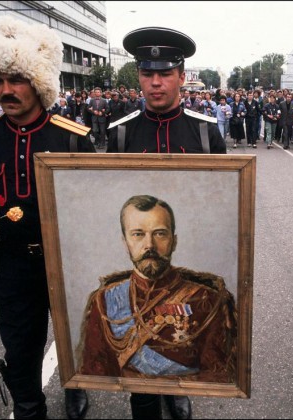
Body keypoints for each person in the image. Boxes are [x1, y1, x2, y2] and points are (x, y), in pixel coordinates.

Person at [0, 15, 95, 420]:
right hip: (14, 263)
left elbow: (94, 207)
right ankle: (27, 405)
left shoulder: (72, 137)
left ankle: (76, 386)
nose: (6, 90)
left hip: (66, 260)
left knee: (75, 335)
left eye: (16, 79)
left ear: (38, 81)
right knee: (20, 345)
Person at [104, 27, 226, 418]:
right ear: (138, 76)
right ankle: (143, 398)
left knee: (180, 333)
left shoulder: (206, 134)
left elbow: (221, 202)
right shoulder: (119, 133)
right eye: (147, 73)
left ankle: (176, 388)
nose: (156, 83)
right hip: (142, 257)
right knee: (139, 339)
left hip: (185, 255)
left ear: (181, 75)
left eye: (166, 73)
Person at [76, 194, 236, 388]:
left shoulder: (208, 300)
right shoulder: (104, 300)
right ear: (125, 243)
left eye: (160, 233)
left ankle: (176, 399)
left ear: (174, 241)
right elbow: (96, 368)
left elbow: (216, 374)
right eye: (138, 234)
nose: (149, 245)